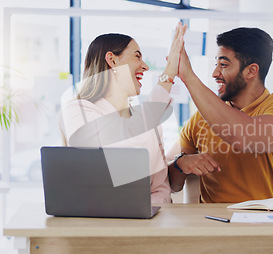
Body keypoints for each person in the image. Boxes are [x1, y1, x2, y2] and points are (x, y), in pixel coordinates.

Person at [168, 27, 273, 203]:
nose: (215, 73)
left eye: (223, 65)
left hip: (263, 224)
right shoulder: (201, 118)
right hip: (210, 225)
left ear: (251, 71)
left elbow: (244, 136)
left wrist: (189, 77)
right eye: (216, 64)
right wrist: (180, 164)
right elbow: (172, 185)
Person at [61, 23, 187, 203]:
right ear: (112, 60)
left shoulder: (149, 122)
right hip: (98, 220)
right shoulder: (78, 109)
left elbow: (161, 188)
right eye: (137, 57)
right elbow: (117, 151)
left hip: (146, 222)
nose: (145, 66)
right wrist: (168, 74)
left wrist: (146, 213)